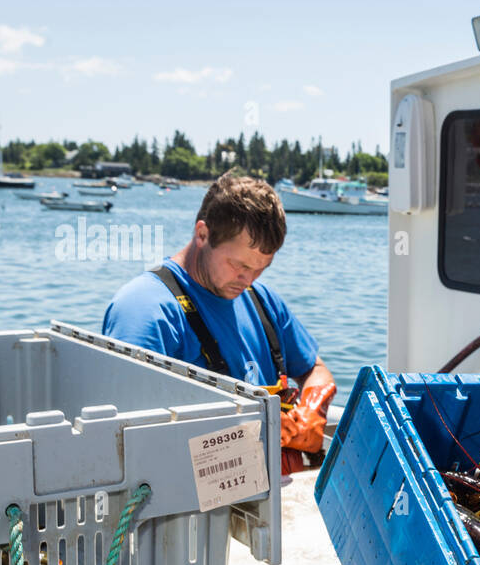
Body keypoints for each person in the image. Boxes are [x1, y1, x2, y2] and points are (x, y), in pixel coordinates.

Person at [103, 173, 335, 474]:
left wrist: (311, 411)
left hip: (278, 502)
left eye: (261, 269)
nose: (248, 280)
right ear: (202, 234)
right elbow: (130, 438)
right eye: (239, 265)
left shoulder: (261, 300)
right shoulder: (144, 310)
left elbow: (315, 371)